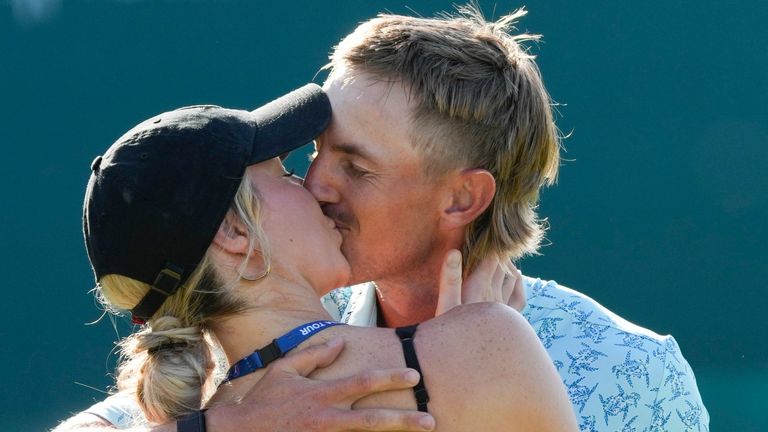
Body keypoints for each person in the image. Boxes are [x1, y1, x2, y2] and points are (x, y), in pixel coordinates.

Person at [57, 6, 708, 432]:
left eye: (355, 166)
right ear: (235, 237)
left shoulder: (634, 372)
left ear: (461, 200)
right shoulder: (215, 389)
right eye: (307, 159)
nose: (317, 184)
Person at [72, 83, 578, 432]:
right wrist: (463, 348)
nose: (314, 187)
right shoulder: (486, 343)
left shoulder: (198, 415)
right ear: (234, 231)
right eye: (285, 174)